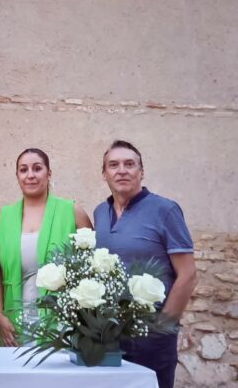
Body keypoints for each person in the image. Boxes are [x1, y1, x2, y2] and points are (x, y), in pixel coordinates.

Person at [94, 140, 196, 388]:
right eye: (113, 165)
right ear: (104, 173)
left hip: (151, 340)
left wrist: (161, 328)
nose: (122, 170)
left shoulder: (165, 210)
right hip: (108, 336)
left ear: (141, 172)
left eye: (129, 164)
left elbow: (188, 275)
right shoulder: (99, 213)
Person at [0, 148, 93, 346]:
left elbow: (92, 269)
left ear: (48, 173)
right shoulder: (4, 217)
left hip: (61, 324)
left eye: (37, 168)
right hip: (13, 324)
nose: (30, 175)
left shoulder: (72, 212)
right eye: (23, 170)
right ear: (17, 176)